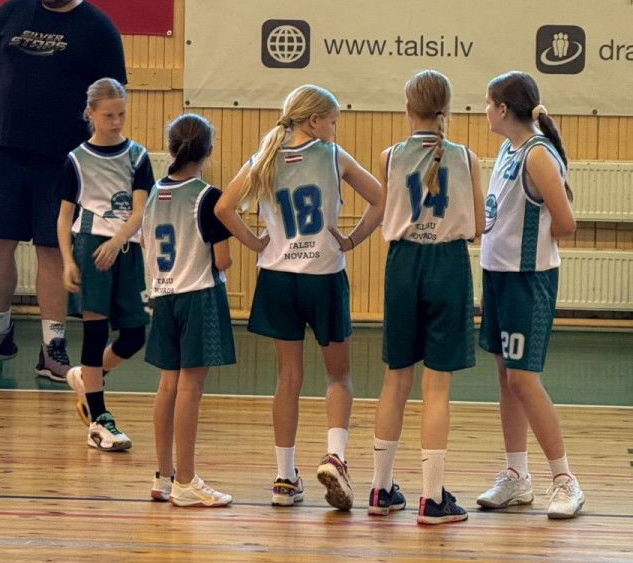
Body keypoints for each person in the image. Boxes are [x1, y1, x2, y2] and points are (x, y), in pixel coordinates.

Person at [0, 0, 126, 378]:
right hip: (7, 152)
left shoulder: (98, 27)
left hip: (63, 162)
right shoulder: (11, 13)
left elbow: (112, 99)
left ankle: (53, 346)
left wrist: (106, 152)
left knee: (52, 250)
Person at [216, 84, 384, 509]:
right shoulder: (333, 155)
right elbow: (381, 199)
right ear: (313, 120)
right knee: (338, 375)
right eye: (332, 121)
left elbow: (222, 208)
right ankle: (336, 458)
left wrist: (255, 243)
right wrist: (352, 240)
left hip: (277, 277)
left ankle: (284, 478)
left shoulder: (264, 157)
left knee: (288, 378)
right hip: (323, 275)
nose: (334, 128)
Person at [362, 70, 484, 526]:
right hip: (447, 264)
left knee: (395, 380)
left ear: (408, 109)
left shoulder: (389, 156)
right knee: (437, 388)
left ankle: (380, 489)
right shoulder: (466, 158)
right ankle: (432, 499)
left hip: (403, 264)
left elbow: (384, 210)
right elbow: (478, 227)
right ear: (447, 110)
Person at [476, 71, 584, 519]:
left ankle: (565, 480)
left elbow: (566, 223)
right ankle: (517, 475)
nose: (484, 110)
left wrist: (532, 244)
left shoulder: (537, 154)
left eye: (488, 103)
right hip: (498, 276)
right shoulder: (509, 147)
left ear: (503, 108)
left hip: (526, 279)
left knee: (523, 380)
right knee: (507, 378)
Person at [140, 113, 236, 508]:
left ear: (170, 147)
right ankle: (186, 480)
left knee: (167, 385)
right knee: (190, 388)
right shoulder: (208, 196)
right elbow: (223, 259)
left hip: (162, 295)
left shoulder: (151, 193)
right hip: (198, 294)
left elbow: (145, 243)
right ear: (208, 151)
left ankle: (163, 476)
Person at [58, 78, 153, 451]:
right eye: (109, 115)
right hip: (91, 248)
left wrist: (118, 241)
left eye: (121, 115)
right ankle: (99, 420)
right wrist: (68, 260)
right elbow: (64, 217)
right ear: (91, 114)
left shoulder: (138, 156)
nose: (116, 122)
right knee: (95, 333)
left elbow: (140, 210)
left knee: (135, 335)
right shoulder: (76, 160)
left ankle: (88, 377)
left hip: (124, 248)